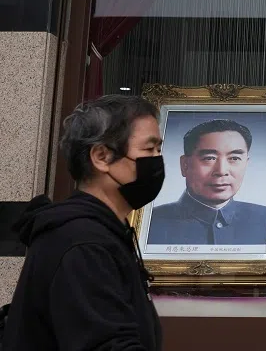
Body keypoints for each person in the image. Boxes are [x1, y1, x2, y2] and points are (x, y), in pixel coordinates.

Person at [3, 95, 165, 350]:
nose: (157, 161)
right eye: (148, 150)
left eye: (159, 150)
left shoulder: (102, 232)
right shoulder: (83, 243)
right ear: (101, 156)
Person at [147, 119, 266, 246]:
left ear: (246, 164)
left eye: (234, 158)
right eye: (209, 158)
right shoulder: (148, 225)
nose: (221, 171)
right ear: (185, 165)